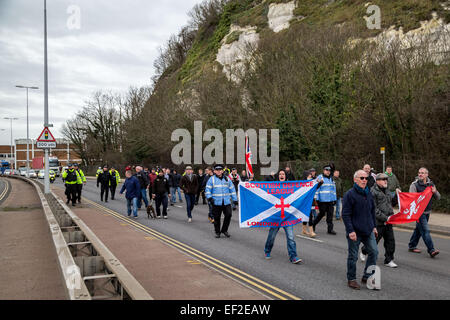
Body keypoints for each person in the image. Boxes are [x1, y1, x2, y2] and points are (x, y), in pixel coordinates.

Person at [342, 170, 378, 290]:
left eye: (366, 178)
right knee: (353, 257)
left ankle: (367, 276)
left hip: (368, 230)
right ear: (355, 180)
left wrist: (373, 226)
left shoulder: (368, 193)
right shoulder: (350, 194)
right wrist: (350, 231)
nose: (364, 180)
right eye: (361, 178)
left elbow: (372, 210)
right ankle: (351, 279)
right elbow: (346, 214)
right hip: (355, 232)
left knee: (374, 252)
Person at [264, 169, 302, 264]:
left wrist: (317, 184)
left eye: (283, 174)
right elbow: (262, 189)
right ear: (278, 176)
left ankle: (293, 256)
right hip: (276, 216)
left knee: (291, 237)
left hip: (287, 217)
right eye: (280, 174)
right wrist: (251, 181)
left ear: (286, 176)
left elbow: (303, 190)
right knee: (271, 236)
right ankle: (267, 250)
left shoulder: (290, 186)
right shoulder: (273, 186)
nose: (282, 175)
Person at [361, 173, 399, 267]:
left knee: (390, 241)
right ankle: (364, 250)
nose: (385, 181)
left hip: (388, 221)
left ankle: (388, 260)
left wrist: (397, 196)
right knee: (374, 241)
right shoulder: (372, 192)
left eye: (386, 179)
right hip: (378, 222)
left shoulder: (387, 191)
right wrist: (385, 218)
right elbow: (374, 209)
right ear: (377, 181)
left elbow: (391, 204)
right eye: (383, 179)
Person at [408, 167, 441, 258]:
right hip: (419, 213)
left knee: (418, 230)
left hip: (427, 212)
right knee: (425, 230)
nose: (420, 174)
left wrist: (435, 191)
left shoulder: (431, 184)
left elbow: (438, 197)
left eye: (422, 173)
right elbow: (412, 199)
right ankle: (431, 250)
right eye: (419, 173)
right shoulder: (414, 185)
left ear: (427, 174)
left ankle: (411, 245)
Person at [205, 164, 238, 238]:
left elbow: (232, 189)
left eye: (220, 170)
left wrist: (235, 200)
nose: (219, 171)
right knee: (217, 218)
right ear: (214, 171)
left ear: (222, 171)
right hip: (216, 202)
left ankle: (224, 230)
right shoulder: (212, 179)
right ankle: (217, 232)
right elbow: (207, 190)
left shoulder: (227, 179)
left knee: (229, 215)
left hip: (226, 202)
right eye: (217, 170)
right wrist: (210, 198)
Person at [313, 164, 337, 235]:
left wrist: (334, 199)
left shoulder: (331, 178)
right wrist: (316, 199)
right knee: (322, 214)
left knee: (330, 215)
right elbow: (316, 188)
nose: (328, 171)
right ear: (323, 170)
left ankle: (330, 229)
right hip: (322, 200)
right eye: (326, 170)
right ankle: (313, 225)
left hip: (330, 200)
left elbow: (333, 190)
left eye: (329, 170)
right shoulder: (320, 177)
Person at [301, 170, 321, 238]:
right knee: (309, 215)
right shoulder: (302, 183)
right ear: (306, 175)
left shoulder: (313, 181)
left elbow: (316, 188)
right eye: (309, 174)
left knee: (308, 215)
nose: (311, 175)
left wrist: (320, 183)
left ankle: (304, 229)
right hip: (305, 202)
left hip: (311, 201)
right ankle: (311, 231)